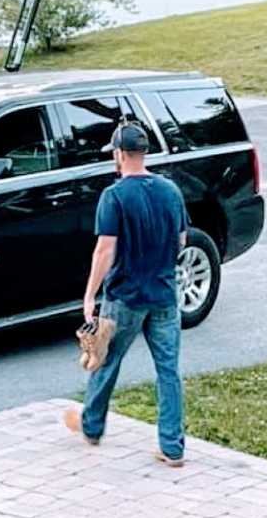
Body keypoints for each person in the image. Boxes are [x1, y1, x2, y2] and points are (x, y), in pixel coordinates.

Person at [65, 121, 188, 467]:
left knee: (105, 361)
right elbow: (181, 241)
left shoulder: (114, 196)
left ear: (119, 154)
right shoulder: (171, 191)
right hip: (164, 296)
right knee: (169, 371)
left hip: (125, 298)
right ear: (143, 152)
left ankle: (91, 427)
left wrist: (90, 296)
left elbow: (105, 251)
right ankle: (172, 447)